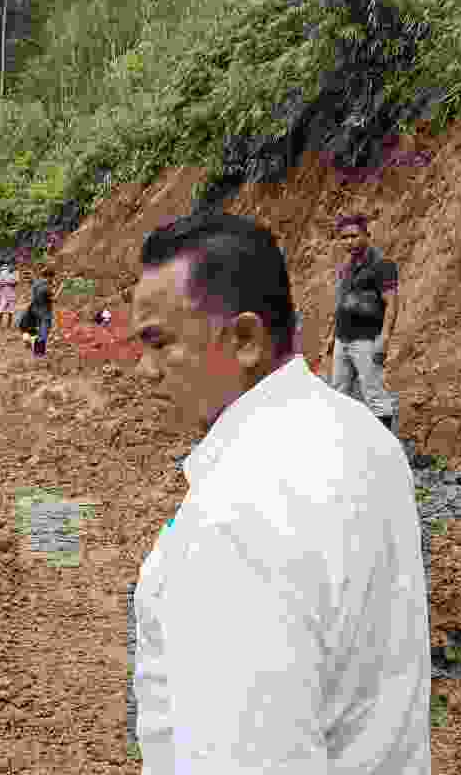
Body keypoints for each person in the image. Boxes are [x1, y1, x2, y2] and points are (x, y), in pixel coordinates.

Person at [128, 210, 429, 775]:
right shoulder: (370, 441)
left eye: (158, 341)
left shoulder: (233, 518)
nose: (145, 371)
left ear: (244, 339)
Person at [322, 213, 400, 434]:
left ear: (367, 235)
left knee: (374, 394)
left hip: (366, 340)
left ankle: (385, 447)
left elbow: (392, 304)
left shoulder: (382, 265)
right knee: (338, 393)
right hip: (342, 338)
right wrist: (331, 336)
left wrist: (384, 338)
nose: (349, 241)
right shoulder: (345, 267)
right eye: (344, 237)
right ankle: (346, 443)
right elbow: (340, 304)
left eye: (354, 236)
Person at [0, 261, 18, 329]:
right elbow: (0, 282)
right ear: (8, 266)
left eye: (13, 265)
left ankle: (8, 326)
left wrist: (7, 282)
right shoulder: (3, 272)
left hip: (12, 294)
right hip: (4, 294)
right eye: (11, 265)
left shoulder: (16, 273)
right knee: (1, 310)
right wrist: (9, 282)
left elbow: (16, 282)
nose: (12, 267)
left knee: (11, 311)